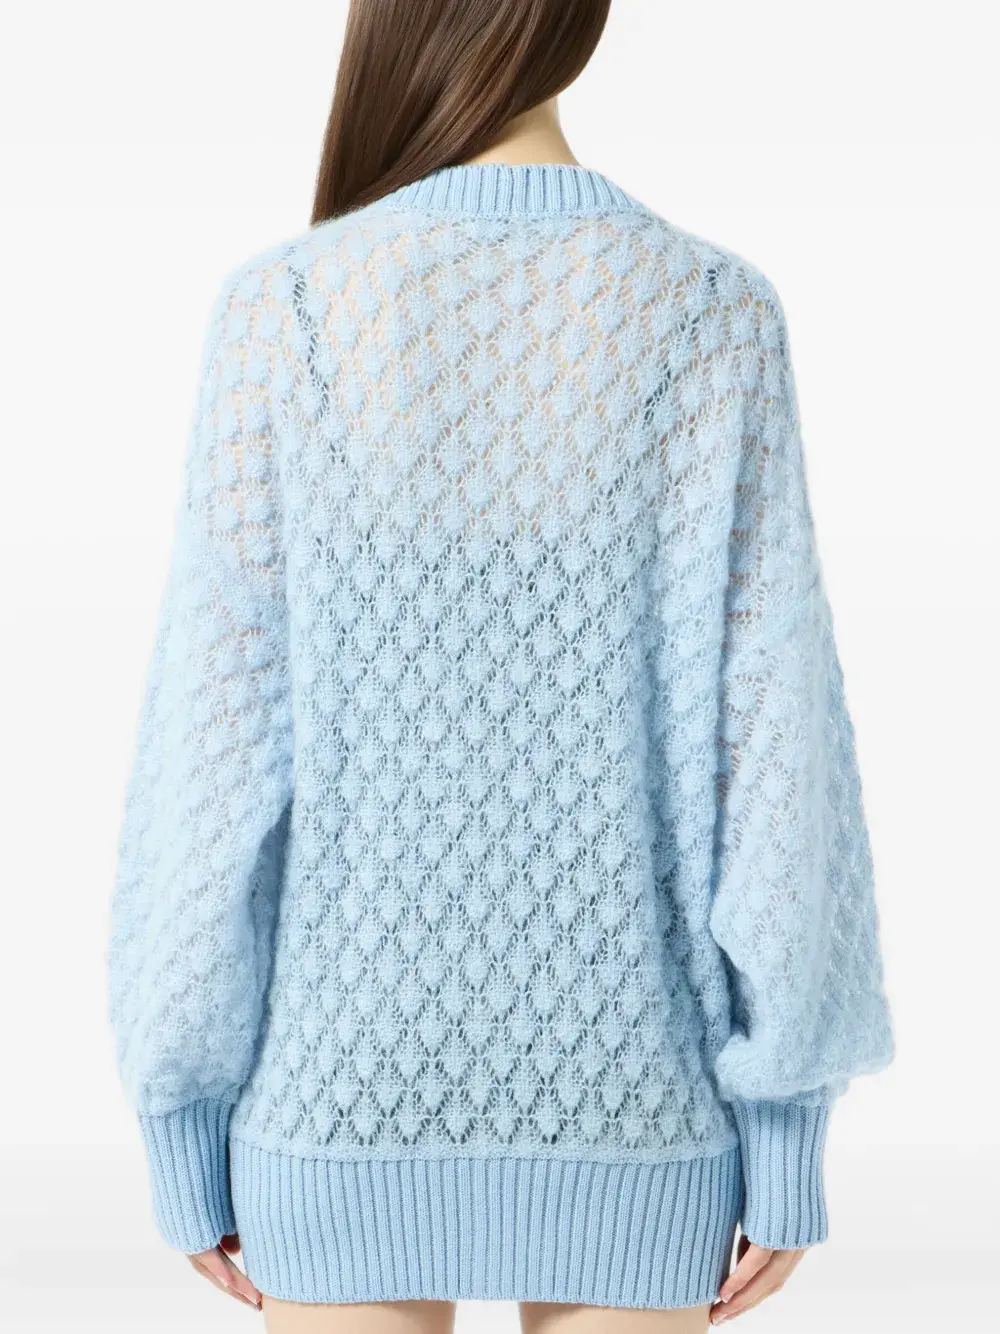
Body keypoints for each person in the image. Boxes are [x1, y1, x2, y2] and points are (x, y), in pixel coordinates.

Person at [105, 1, 895, 1330]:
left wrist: (183, 1119)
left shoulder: (286, 309)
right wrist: (786, 1131)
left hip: (332, 1110)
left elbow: (211, 763)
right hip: (640, 1115)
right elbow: (776, 764)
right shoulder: (713, 313)